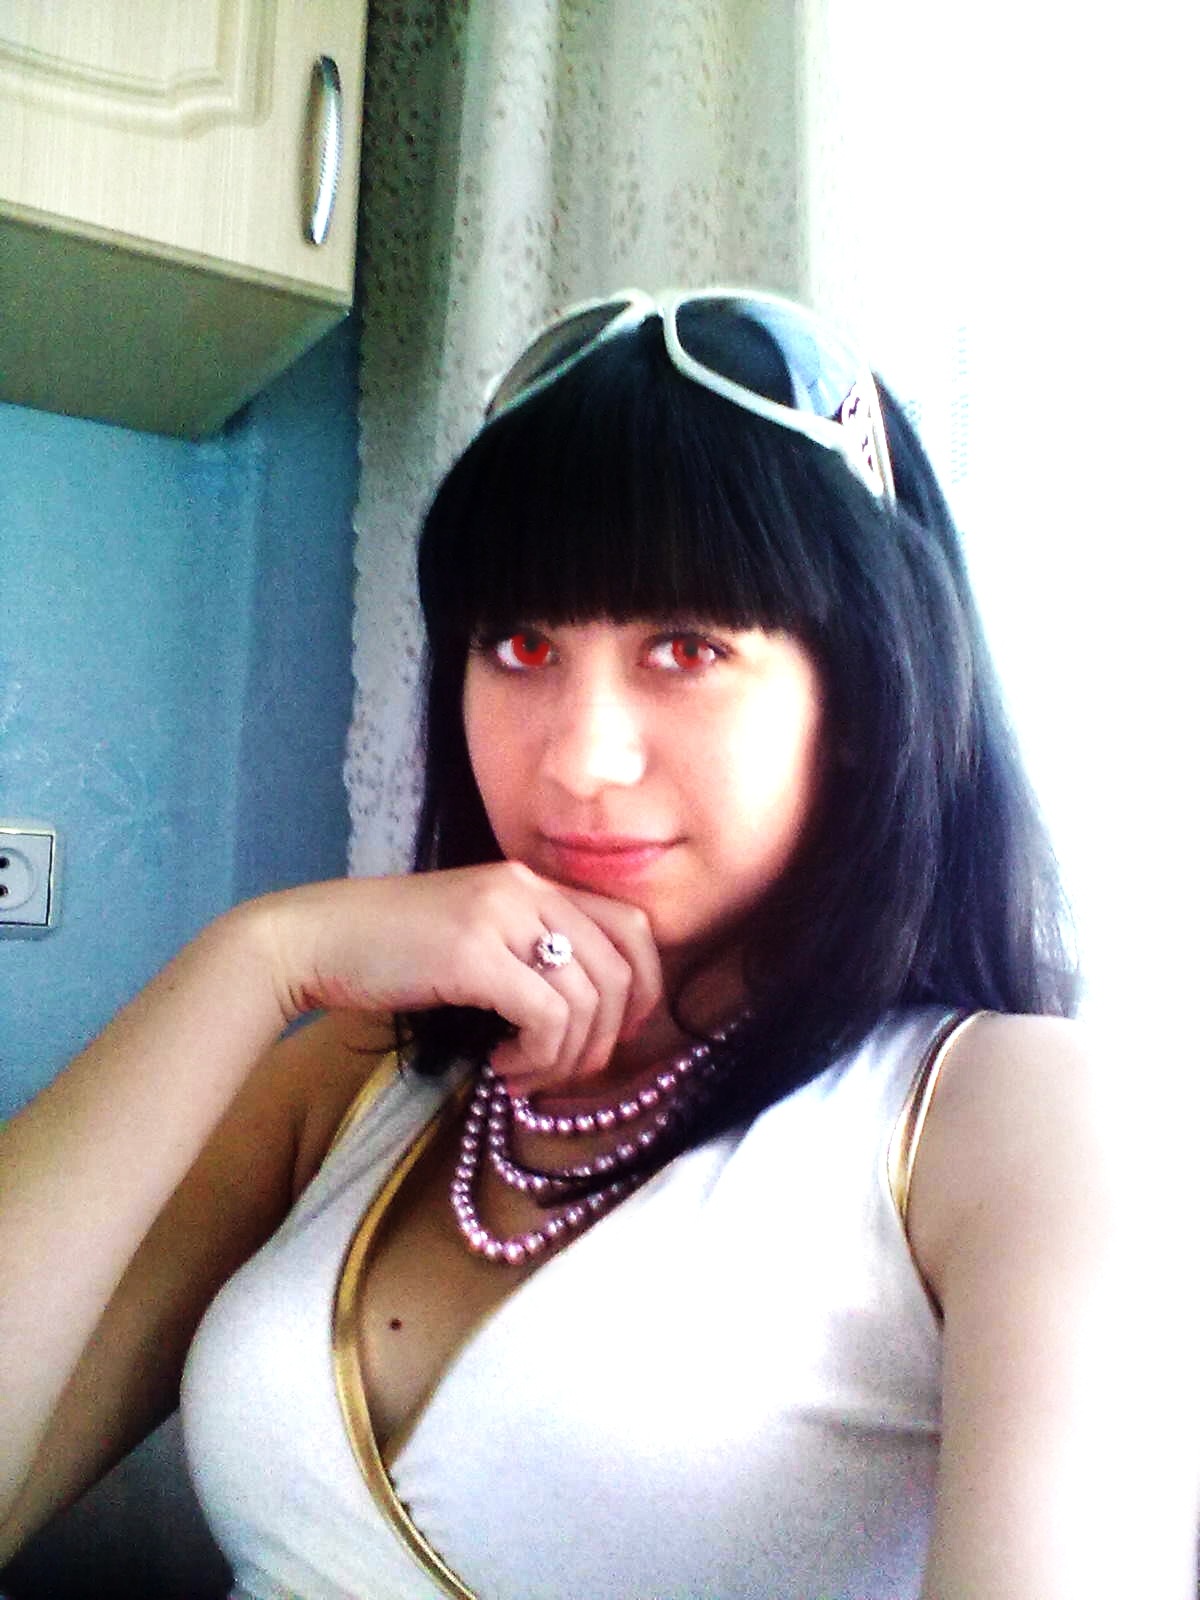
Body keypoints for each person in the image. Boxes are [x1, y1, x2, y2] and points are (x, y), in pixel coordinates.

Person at [0, 289, 1195, 1600]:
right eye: (522, 645)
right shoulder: (361, 1069)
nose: (579, 760)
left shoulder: (1010, 1113)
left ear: (862, 694)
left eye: (686, 648)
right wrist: (259, 954)